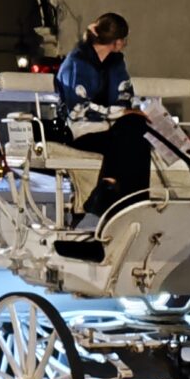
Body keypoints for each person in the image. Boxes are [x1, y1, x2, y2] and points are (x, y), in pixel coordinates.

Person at [56, 13, 150, 224]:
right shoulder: (75, 63)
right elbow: (77, 109)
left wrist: (125, 113)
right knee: (134, 140)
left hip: (113, 128)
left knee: (136, 128)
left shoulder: (116, 64)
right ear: (117, 42)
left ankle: (109, 192)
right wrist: (119, 113)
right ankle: (134, 202)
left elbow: (124, 97)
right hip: (83, 131)